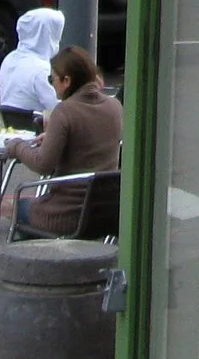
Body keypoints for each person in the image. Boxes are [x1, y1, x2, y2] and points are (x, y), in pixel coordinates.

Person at [7, 45, 123, 237]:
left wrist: (17, 146)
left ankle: (40, 263)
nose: (52, 85)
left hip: (66, 215)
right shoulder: (114, 106)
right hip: (105, 216)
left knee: (21, 207)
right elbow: (90, 139)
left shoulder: (65, 111)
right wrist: (54, 137)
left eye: (52, 79)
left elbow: (43, 164)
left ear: (66, 80)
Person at [0, 8, 64, 128]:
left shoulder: (9, 59)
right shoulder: (42, 69)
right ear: (46, 34)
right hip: (37, 132)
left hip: (11, 129)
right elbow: (57, 109)